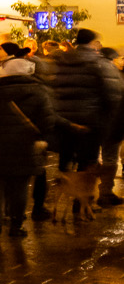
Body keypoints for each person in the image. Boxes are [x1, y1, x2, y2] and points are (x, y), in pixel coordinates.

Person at [50, 28, 121, 220]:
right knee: (87, 163)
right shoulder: (98, 63)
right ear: (92, 43)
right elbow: (112, 93)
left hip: (65, 121)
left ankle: (62, 204)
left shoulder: (62, 62)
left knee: (65, 162)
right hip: (91, 122)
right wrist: (109, 119)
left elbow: (54, 89)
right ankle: (81, 204)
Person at [0, 56, 54, 238]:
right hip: (26, 145)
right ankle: (16, 225)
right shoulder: (38, 91)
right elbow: (47, 120)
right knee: (20, 186)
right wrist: (42, 138)